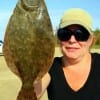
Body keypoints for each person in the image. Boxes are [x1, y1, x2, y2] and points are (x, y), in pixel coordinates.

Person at [34, 8, 100, 100]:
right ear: (59, 39)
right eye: (65, 34)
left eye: (80, 34)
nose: (72, 40)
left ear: (90, 40)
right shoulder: (50, 67)